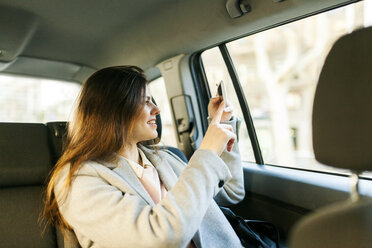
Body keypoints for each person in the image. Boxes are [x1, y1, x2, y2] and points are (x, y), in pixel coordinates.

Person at [43, 66, 245, 248]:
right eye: (145, 102)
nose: (156, 110)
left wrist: (222, 125)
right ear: (114, 111)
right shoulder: (77, 180)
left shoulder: (166, 159)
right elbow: (160, 237)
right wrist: (207, 152)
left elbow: (232, 192)